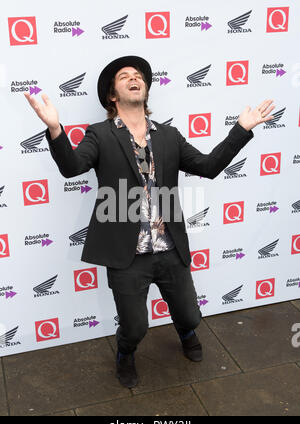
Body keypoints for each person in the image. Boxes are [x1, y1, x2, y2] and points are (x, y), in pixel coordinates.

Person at [24, 55, 275, 388]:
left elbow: (209, 166)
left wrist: (241, 130)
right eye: (124, 75)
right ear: (112, 95)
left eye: (138, 74)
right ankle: (125, 353)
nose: (134, 77)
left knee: (189, 314)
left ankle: (186, 333)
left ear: (145, 87)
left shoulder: (169, 136)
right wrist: (55, 129)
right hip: (125, 255)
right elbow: (72, 167)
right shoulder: (98, 135)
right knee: (135, 327)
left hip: (170, 248)